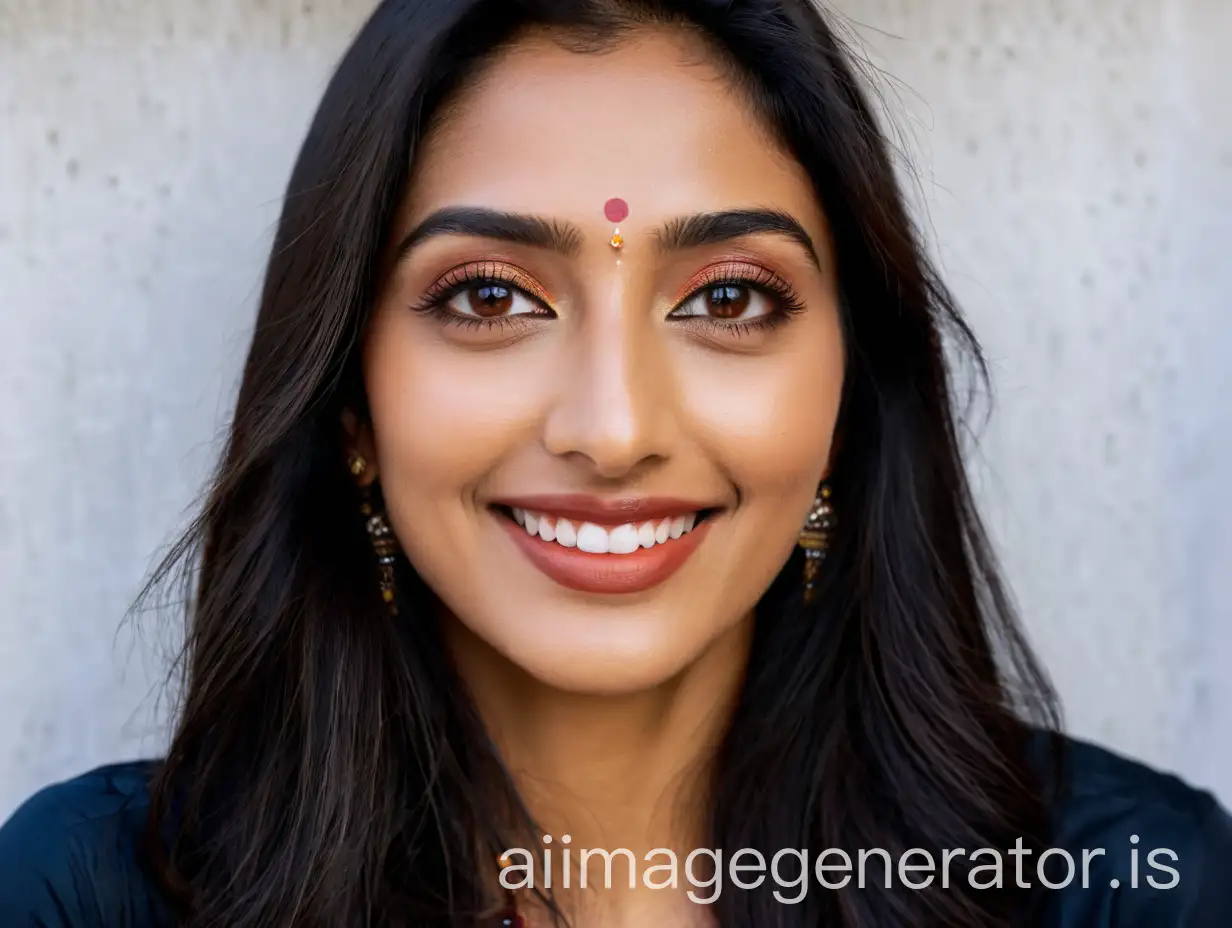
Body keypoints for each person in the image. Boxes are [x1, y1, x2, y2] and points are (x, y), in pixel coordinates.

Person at [1, 1, 1228, 926]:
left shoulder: (1128, 888)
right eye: (489, 296)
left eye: (729, 297)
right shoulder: (91, 893)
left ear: (850, 397)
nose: (612, 425)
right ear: (348, 405)